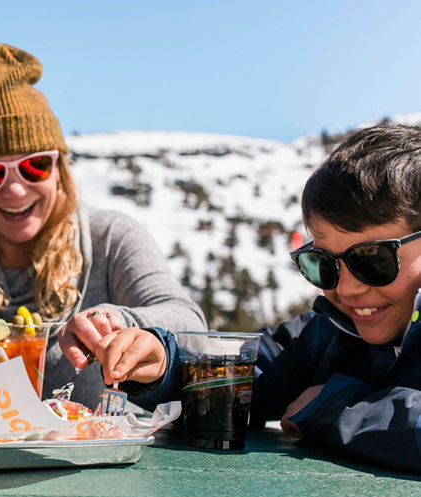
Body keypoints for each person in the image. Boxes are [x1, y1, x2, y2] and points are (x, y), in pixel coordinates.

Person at [92, 123, 421, 474]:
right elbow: (252, 370)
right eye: (323, 264)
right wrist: (165, 366)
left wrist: (330, 408)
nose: (346, 289)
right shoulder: (329, 330)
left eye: (372, 259)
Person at [0, 43, 206, 408]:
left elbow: (192, 326)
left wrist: (118, 320)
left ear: (60, 169)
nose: (14, 189)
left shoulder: (110, 240)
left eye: (34, 166)